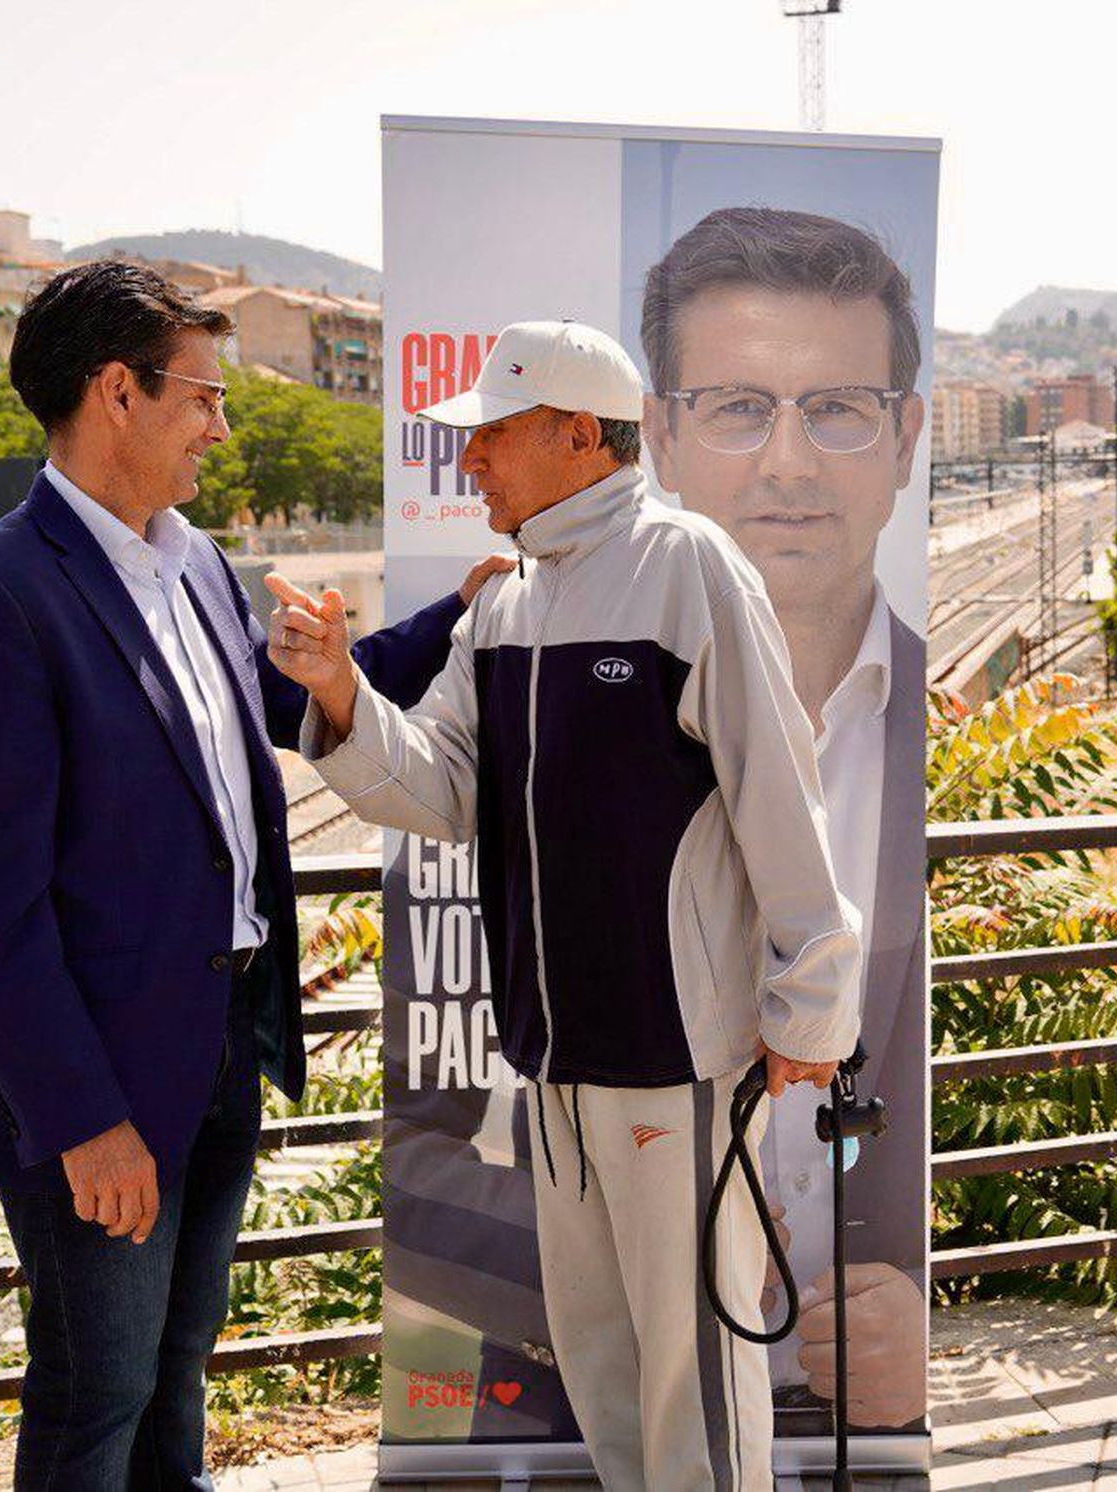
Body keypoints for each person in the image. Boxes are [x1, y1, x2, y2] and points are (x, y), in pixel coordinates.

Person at [0, 259, 506, 1489]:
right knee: (97, 1388)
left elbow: (281, 696)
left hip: (218, 1036)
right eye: (204, 397)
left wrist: (451, 614)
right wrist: (81, 1120)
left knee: (176, 1362)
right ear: (116, 392)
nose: (223, 428)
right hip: (103, 1078)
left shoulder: (192, 566)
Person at [268, 320, 861, 1491]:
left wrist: (811, 1005)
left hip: (674, 1052)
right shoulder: (505, 603)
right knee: (601, 1358)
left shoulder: (686, 565)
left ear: (578, 433)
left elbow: (780, 791)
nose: (470, 464)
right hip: (551, 1060)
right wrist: (337, 688)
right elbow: (435, 787)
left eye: (490, 437)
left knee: (691, 1364)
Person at [640, 205, 928, 1429]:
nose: (790, 465)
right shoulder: (574, 711)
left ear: (907, 438)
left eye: (839, 408)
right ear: (657, 437)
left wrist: (919, 1297)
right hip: (647, 1370)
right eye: (738, 408)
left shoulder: (936, 722)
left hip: (855, 1390)